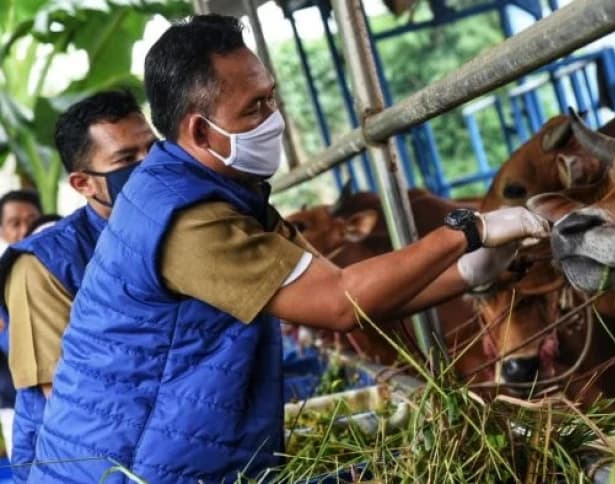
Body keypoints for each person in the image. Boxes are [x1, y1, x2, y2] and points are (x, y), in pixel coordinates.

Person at [30, 15, 549, 483]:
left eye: (271, 97)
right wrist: (466, 230)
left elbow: (350, 293)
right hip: (127, 469)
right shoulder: (185, 218)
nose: (274, 117)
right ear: (199, 129)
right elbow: (341, 304)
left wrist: (470, 271)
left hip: (168, 454)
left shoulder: (223, 192)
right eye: (254, 107)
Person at [0, 90, 155, 482]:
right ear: (83, 183)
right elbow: (72, 402)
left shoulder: (174, 232)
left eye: (153, 149)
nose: (149, 166)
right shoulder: (40, 265)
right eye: (126, 160)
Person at [0, 189, 42, 458]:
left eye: (31, 220)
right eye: (15, 223)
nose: (25, 229)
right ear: (2, 230)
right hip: (12, 396)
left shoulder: (63, 266)